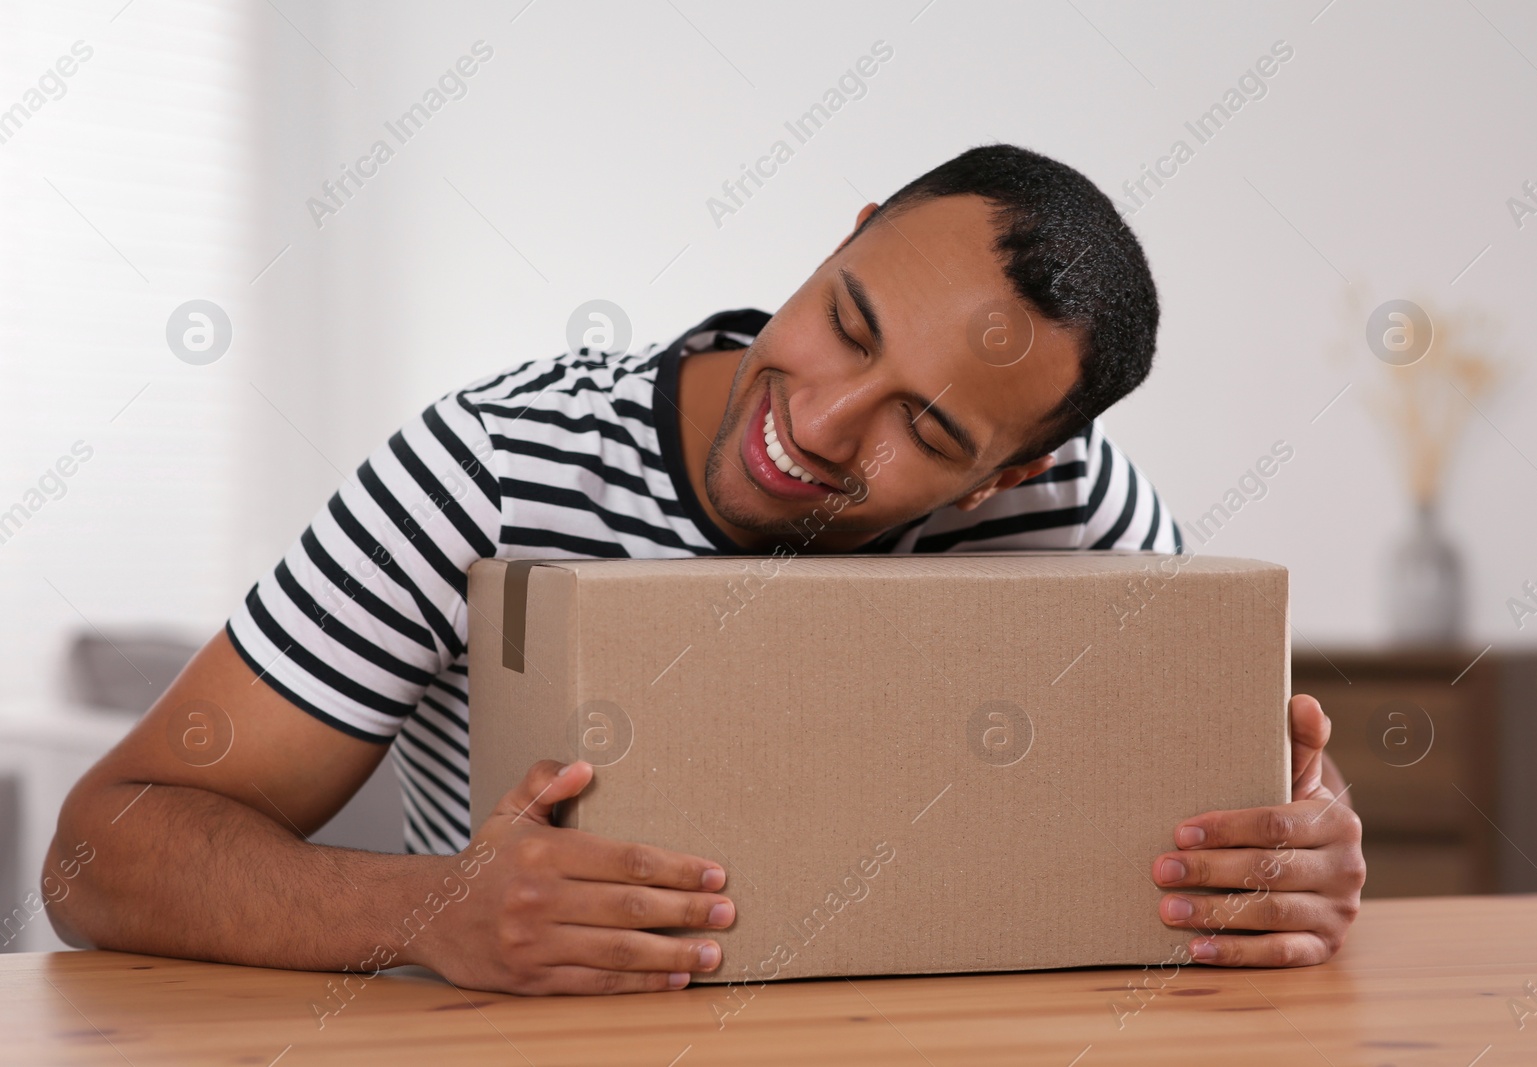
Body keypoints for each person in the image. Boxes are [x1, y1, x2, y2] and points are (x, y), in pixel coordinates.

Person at [46, 144, 1363, 995]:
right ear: (845, 238)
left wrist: (1305, 848)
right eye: (849, 324)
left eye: (930, 429)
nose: (825, 424)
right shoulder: (495, 467)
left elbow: (1266, 804)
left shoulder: (1077, 516)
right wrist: (431, 909)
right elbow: (98, 853)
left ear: (1009, 475)